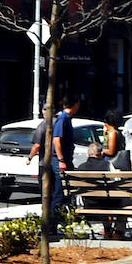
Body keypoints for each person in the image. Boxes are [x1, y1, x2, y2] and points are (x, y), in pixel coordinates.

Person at [47, 94, 80, 235]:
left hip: (65, 159)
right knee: (60, 194)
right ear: (75, 104)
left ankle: (60, 222)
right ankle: (51, 225)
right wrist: (61, 159)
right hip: (61, 161)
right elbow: (57, 140)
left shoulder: (66, 119)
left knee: (65, 194)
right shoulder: (63, 119)